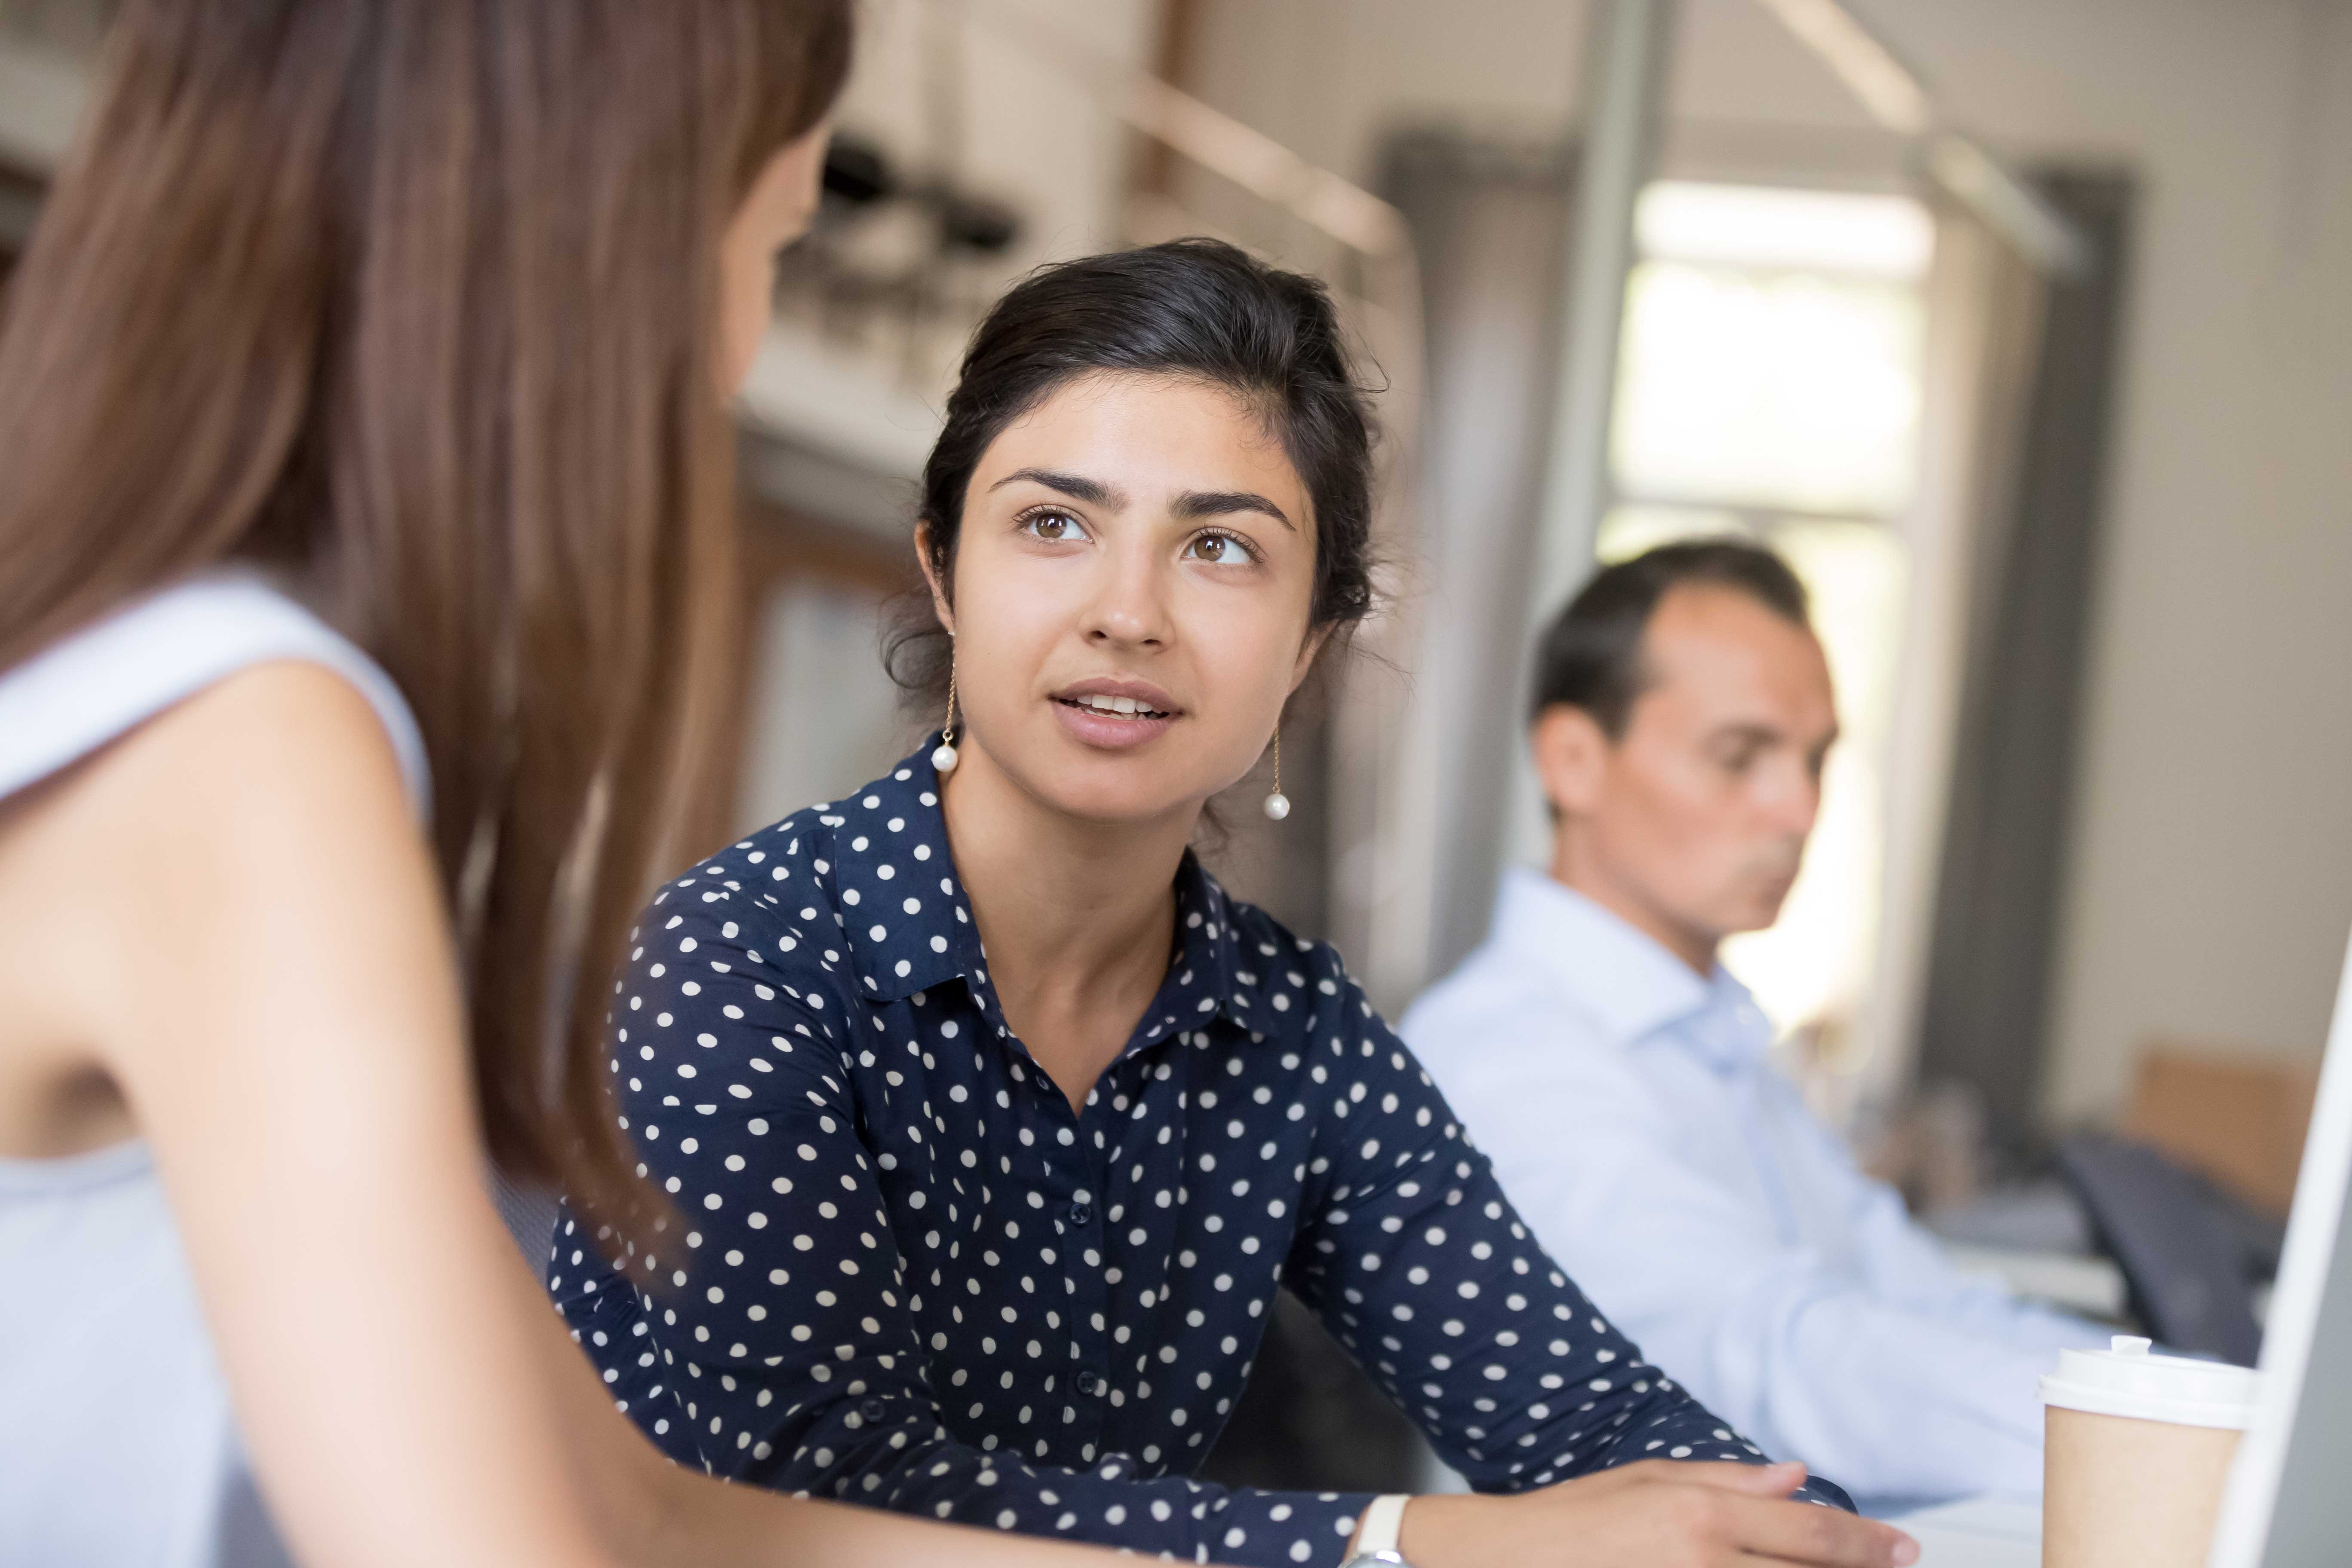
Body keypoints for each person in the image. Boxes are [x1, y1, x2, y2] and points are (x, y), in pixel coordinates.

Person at [551, 240, 1919, 1568]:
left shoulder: (1293, 1030)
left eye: (1219, 550)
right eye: (1052, 524)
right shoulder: (744, 956)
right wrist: (1409, 1539)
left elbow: (1574, 1411)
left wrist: (1793, 1532)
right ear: (944, 574)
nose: (1127, 612)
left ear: (1310, 645)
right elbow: (813, 1484)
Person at [0, 4, 1136, 1566]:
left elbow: (640, 1507)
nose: (738, 349)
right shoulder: (248, 753)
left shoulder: (142, 674)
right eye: (770, 248)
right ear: (607, 255)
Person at [1402, 540, 2110, 1509]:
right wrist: (2154, 1437)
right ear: (1572, 759)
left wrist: (2189, 1395)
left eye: (1814, 760)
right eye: (1741, 756)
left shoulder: (1719, 1041)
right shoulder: (1505, 1056)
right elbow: (1765, 1353)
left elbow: (1921, 1298)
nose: (1799, 807)